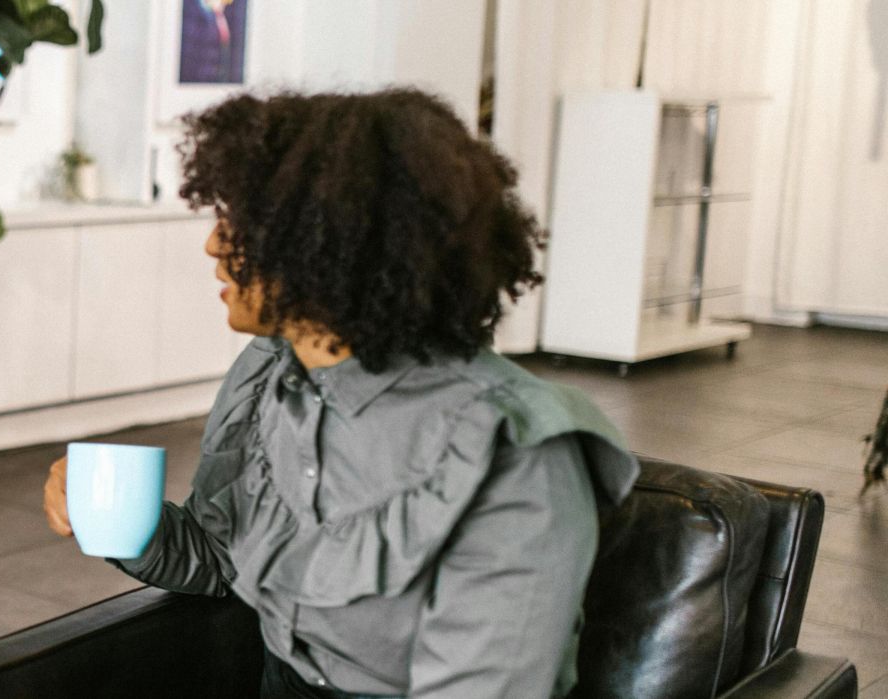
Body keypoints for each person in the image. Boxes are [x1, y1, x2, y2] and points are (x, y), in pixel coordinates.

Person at [42, 90, 640, 698]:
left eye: (243, 222)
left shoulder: (514, 455)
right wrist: (125, 523)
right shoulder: (270, 375)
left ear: (337, 243)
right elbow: (224, 559)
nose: (215, 245)